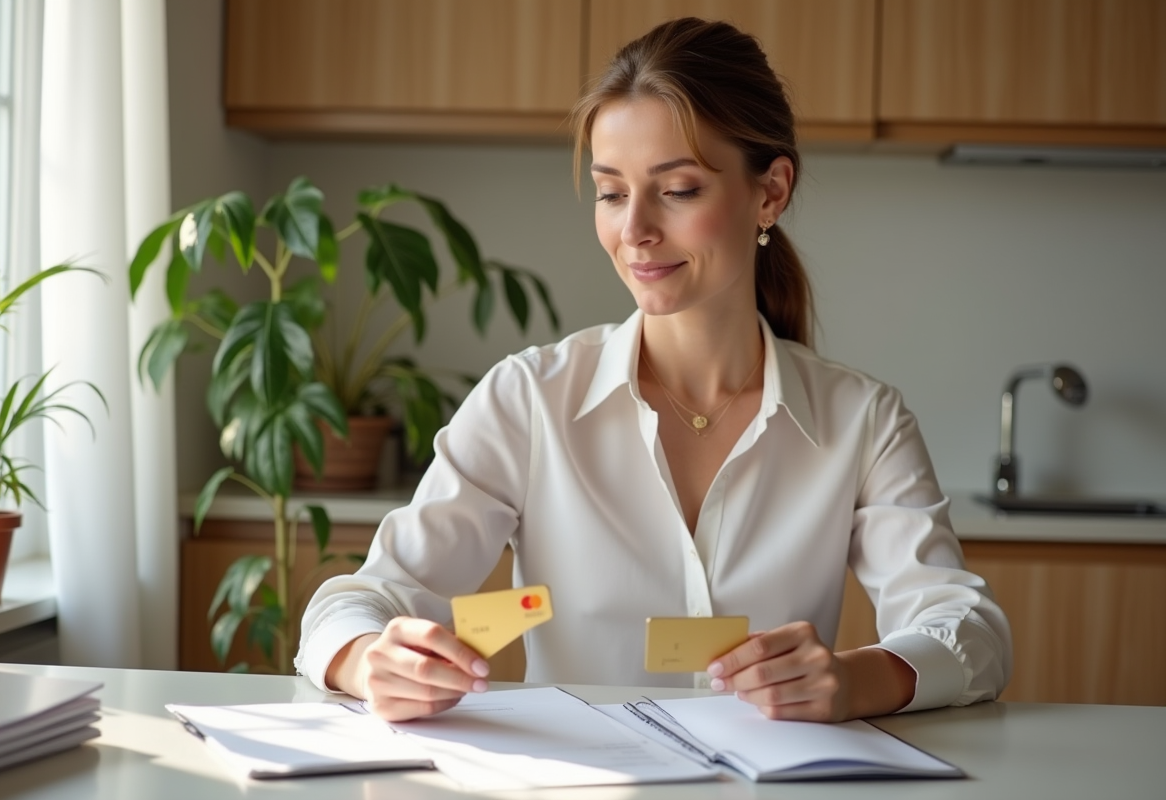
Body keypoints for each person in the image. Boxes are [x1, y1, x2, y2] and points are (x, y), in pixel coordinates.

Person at [296, 17, 1011, 723]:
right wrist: (368, 659)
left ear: (770, 192)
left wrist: (856, 680)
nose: (633, 228)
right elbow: (364, 597)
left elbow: (968, 628)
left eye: (678, 190)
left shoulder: (863, 421)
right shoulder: (530, 400)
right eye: (611, 192)